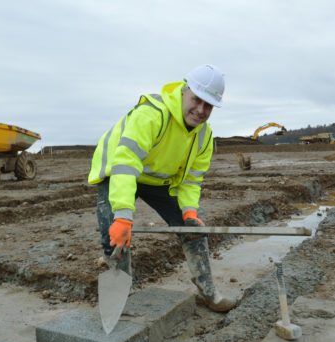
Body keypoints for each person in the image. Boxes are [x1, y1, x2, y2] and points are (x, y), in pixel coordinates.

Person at [88, 64, 236, 312]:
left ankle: (208, 291)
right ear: (183, 92)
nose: (200, 111)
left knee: (195, 229)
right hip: (118, 171)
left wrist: (189, 212)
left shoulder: (204, 136)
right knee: (115, 235)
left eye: (208, 106)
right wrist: (123, 215)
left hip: (157, 181)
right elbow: (126, 164)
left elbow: (191, 180)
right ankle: (120, 302)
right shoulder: (151, 115)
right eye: (196, 100)